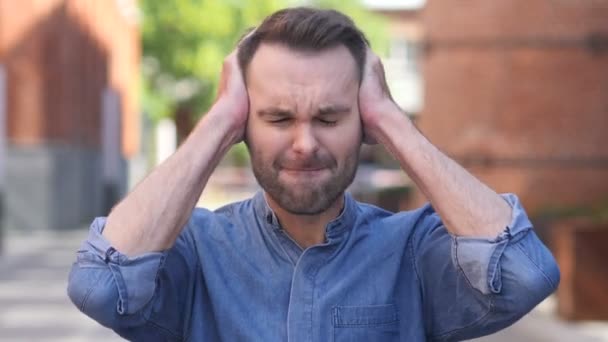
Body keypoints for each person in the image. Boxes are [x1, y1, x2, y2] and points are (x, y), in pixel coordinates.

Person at [67, 7, 559, 342]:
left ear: (362, 121)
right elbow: (100, 286)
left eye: (329, 118)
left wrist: (391, 120)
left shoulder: (413, 250)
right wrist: (217, 120)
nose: (304, 143)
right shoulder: (196, 250)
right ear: (244, 124)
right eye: (278, 118)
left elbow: (525, 274)